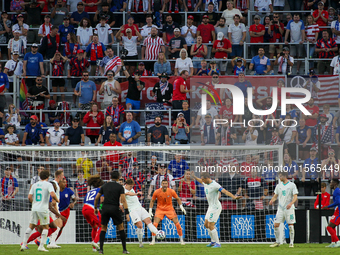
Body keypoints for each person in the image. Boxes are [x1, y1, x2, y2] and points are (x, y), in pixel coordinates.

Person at [191, 171, 241, 248]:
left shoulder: (215, 185)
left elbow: (225, 191)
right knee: (206, 224)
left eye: (203, 179)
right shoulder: (205, 182)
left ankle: (218, 243)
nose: (202, 181)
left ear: (207, 178)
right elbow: (200, 181)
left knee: (211, 225)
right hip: (210, 206)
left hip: (216, 207)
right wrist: (194, 176)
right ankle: (213, 242)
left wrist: (234, 197)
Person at [20, 170, 58, 252]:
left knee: (31, 226)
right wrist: (57, 199)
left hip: (34, 208)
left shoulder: (34, 185)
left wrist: (34, 203)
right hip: (43, 208)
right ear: (48, 177)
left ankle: (23, 244)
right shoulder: (48, 184)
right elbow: (52, 194)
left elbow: (29, 197)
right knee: (46, 227)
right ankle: (41, 246)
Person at [93, 171, 130, 254]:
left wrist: (96, 208)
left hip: (105, 208)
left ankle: (101, 250)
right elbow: (123, 200)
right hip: (114, 208)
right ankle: (124, 250)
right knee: (121, 228)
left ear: (110, 177)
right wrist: (127, 212)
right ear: (118, 178)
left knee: (103, 228)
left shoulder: (104, 186)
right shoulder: (120, 187)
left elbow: (96, 198)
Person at [149, 179, 186, 245]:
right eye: (163, 184)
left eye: (166, 183)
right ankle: (153, 240)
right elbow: (152, 201)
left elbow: (178, 198)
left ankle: (181, 240)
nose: (165, 185)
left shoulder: (171, 191)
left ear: (168, 184)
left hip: (170, 209)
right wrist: (150, 210)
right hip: (160, 209)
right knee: (154, 224)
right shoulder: (156, 192)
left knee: (177, 224)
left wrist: (181, 207)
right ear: (161, 184)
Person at [125, 178, 159, 247]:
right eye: (130, 186)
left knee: (149, 221)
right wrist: (136, 193)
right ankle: (140, 243)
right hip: (132, 210)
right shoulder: (123, 189)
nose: (131, 188)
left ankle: (158, 233)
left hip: (140, 208)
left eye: (132, 186)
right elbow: (128, 193)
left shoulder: (131, 189)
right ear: (126, 185)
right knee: (140, 225)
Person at [268, 171, 298, 248]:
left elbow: (295, 197)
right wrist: (272, 200)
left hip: (289, 208)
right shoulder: (279, 186)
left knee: (290, 226)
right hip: (280, 208)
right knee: (276, 224)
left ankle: (291, 243)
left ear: (285, 176)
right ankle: (277, 241)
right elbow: (275, 195)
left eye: (281, 176)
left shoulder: (292, 185)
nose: (279, 177)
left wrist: (291, 203)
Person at [82, 175, 104, 250]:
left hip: (84, 209)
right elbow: (101, 200)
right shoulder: (100, 190)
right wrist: (101, 207)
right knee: (102, 226)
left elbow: (85, 201)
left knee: (94, 227)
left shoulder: (90, 191)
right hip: (92, 209)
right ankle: (95, 242)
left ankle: (94, 248)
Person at [323, 179, 340, 247]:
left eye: (331, 183)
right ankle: (333, 242)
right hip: (337, 211)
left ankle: (338, 241)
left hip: (338, 212)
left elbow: (338, 202)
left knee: (329, 227)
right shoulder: (336, 191)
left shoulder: (336, 191)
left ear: (335, 184)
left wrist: (328, 206)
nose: (330, 184)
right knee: (332, 227)